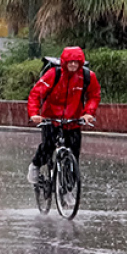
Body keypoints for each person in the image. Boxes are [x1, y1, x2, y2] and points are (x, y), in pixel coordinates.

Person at [26, 46, 101, 183]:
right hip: (51, 119)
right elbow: (35, 94)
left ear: (81, 62)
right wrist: (34, 114)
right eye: (70, 62)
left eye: (76, 62)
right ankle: (35, 166)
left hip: (73, 121)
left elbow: (94, 96)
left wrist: (88, 113)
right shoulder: (54, 74)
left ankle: (69, 189)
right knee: (47, 147)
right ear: (64, 62)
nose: (73, 65)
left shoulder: (87, 76)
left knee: (74, 156)